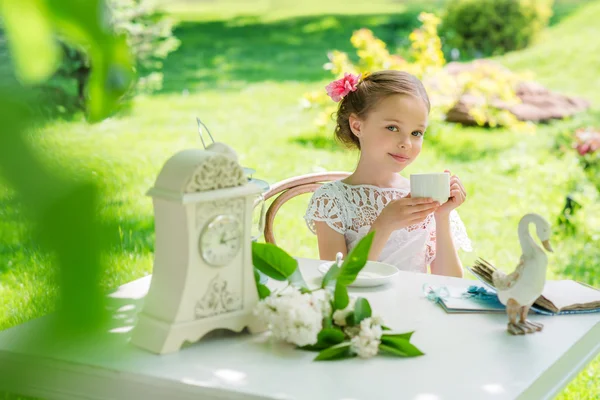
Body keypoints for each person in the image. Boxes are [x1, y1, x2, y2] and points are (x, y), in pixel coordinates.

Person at [304, 70, 472, 277]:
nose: (406, 143)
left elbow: (451, 282)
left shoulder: (423, 197)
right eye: (392, 127)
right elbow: (337, 282)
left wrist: (442, 216)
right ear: (357, 126)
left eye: (416, 133)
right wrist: (383, 225)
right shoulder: (332, 199)